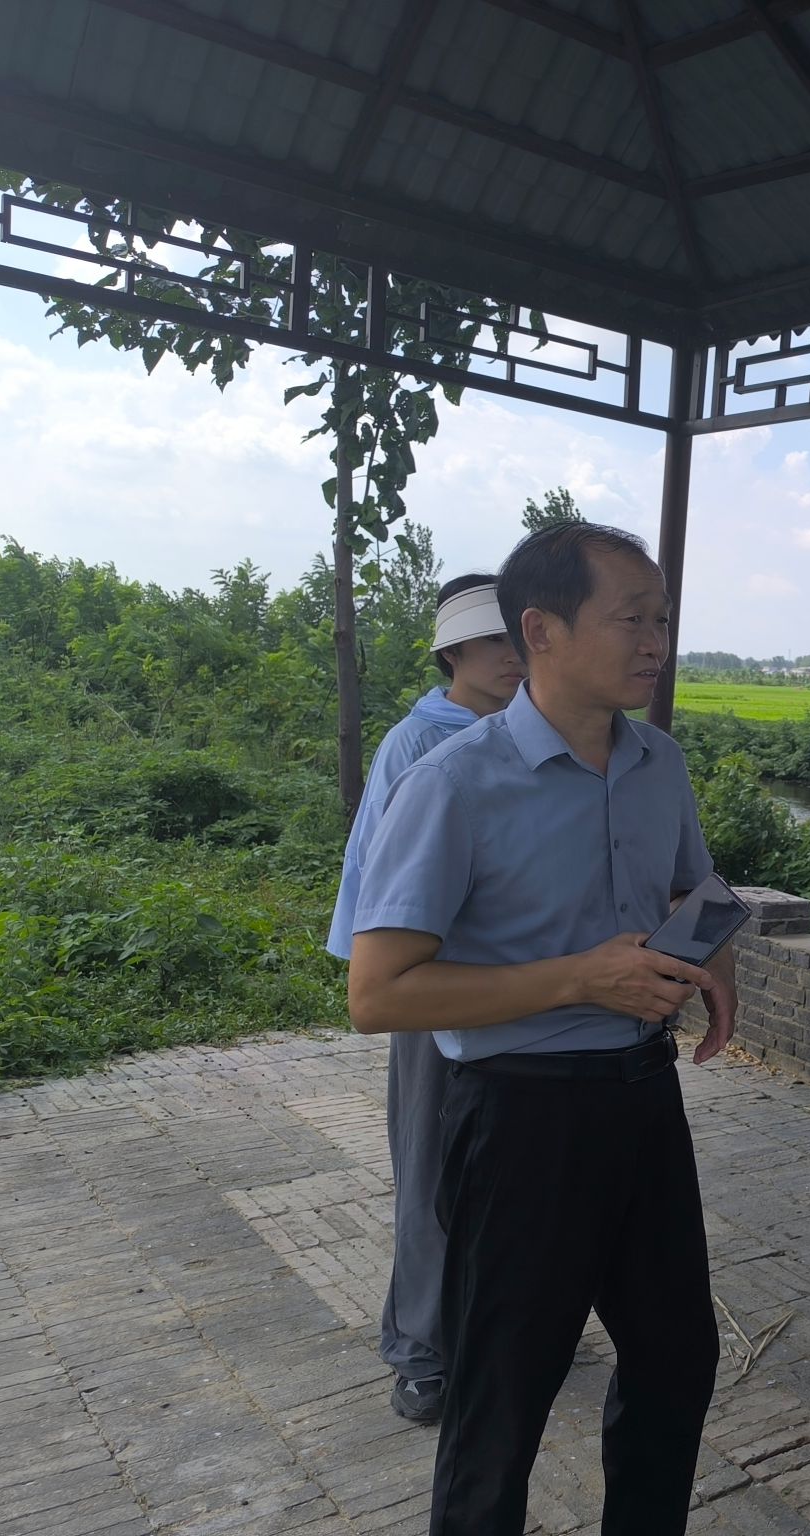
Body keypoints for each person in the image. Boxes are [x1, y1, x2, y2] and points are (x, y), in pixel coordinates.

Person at [347, 522, 732, 1536]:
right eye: (631, 620)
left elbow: (691, 884)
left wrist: (713, 960)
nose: (655, 643)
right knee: (501, 1398)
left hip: (644, 1102)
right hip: (519, 1119)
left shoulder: (657, 762)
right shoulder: (452, 783)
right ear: (541, 630)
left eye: (662, 620)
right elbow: (378, 995)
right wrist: (577, 981)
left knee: (676, 1358)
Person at [326, 573, 524, 1424]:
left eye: (521, 639)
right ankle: (419, 1351)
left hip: (521, 990)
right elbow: (383, 880)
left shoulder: (534, 733)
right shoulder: (419, 744)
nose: (513, 657)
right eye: (494, 642)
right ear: (454, 652)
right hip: (435, 989)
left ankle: (496, 1327)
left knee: (508, 1173)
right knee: (430, 1171)